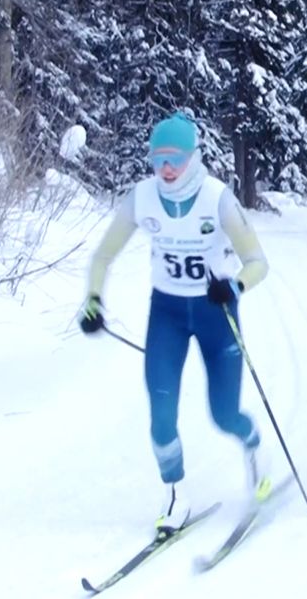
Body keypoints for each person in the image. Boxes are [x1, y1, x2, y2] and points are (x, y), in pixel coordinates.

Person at [76, 111, 272, 530]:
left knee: (224, 415)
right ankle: (176, 496)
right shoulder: (142, 198)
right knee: (161, 415)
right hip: (166, 313)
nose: (165, 169)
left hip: (216, 314)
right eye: (158, 159)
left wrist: (235, 286)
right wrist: (93, 300)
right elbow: (103, 255)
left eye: (175, 160)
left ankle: (254, 446)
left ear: (193, 158)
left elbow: (258, 262)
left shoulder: (217, 198)